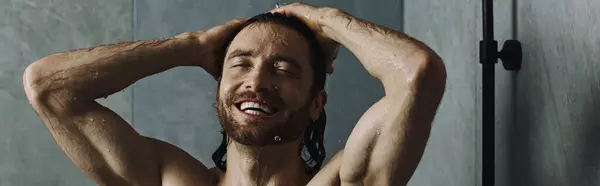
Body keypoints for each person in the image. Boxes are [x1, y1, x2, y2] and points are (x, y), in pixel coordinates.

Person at [23, 3, 446, 186]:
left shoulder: (344, 181)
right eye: (240, 63)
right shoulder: (167, 180)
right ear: (220, 86)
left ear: (317, 102)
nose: (257, 82)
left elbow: (417, 72)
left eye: (283, 69)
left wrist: (325, 20)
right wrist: (189, 46)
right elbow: (49, 86)